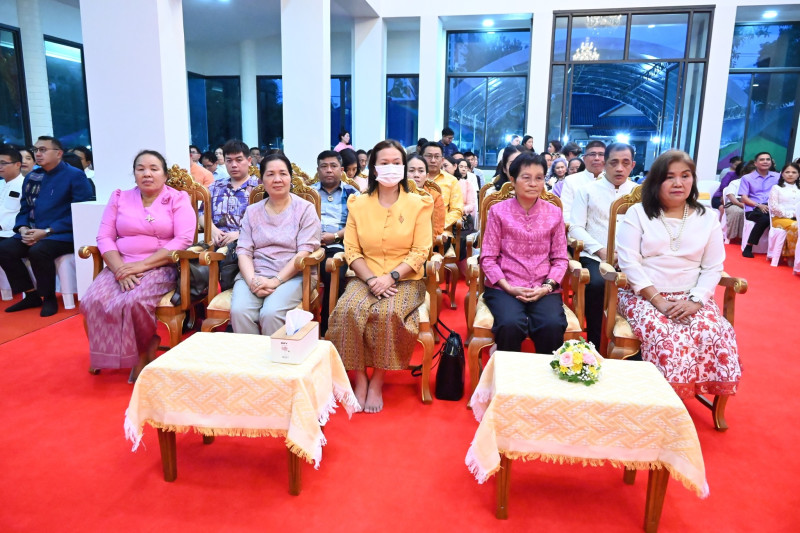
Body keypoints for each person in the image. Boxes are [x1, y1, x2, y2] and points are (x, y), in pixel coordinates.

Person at [616, 150, 740, 399]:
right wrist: (658, 301)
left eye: (685, 176)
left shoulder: (708, 217)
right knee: (667, 334)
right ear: (656, 181)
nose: (678, 183)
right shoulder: (638, 213)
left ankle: (685, 394)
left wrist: (696, 301)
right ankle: (660, 399)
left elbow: (713, 267)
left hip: (691, 296)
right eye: (669, 177)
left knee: (714, 331)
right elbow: (629, 263)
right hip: (643, 295)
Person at [326, 139, 433, 413]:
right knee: (348, 310)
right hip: (365, 276)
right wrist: (373, 279)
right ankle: (360, 377)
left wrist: (391, 276)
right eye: (384, 163)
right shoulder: (358, 204)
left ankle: (378, 380)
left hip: (405, 278)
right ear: (374, 168)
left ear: (404, 167)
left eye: (397, 163)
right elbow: (352, 250)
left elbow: (421, 250)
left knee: (388, 313)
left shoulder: (419, 204)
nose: (391, 167)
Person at [81, 150, 195, 382]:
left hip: (159, 265)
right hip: (121, 265)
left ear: (165, 175)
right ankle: (114, 353)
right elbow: (104, 237)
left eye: (154, 169)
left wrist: (141, 266)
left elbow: (183, 240)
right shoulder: (119, 197)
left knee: (134, 301)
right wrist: (119, 269)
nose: (147, 174)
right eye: (140, 169)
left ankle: (143, 351)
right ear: (134, 174)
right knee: (92, 300)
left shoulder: (178, 199)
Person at [480, 152, 568, 353]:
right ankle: (507, 371)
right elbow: (488, 258)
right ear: (513, 180)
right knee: (510, 324)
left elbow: (560, 259)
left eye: (539, 178)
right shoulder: (498, 211)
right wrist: (509, 288)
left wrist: (546, 287)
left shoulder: (554, 213)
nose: (533, 184)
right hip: (505, 286)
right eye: (526, 177)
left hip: (543, 286)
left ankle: (546, 372)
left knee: (552, 324)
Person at [0, 136, 94, 316]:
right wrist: (23, 228)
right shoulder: (32, 176)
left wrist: (47, 231)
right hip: (34, 231)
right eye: (36, 150)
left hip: (63, 234)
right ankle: (30, 294)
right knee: (4, 249)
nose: (38, 153)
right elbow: (25, 208)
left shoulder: (74, 175)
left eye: (43, 150)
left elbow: (80, 212)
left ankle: (48, 297)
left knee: (39, 251)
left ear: (58, 153)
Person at [230, 153, 321, 336]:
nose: (277, 179)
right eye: (270, 174)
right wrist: (252, 281)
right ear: (262, 180)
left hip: (294, 275)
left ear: (291, 178)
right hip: (255, 273)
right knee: (239, 311)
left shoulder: (305, 209)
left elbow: (304, 252)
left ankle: (276, 354)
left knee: (271, 313)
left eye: (283, 174)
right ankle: (251, 355)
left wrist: (275, 280)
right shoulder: (252, 211)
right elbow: (244, 251)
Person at [569, 142, 637, 348]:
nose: (619, 168)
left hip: (632, 256)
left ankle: (633, 346)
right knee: (597, 284)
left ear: (633, 165)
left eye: (625, 163)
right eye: (614, 163)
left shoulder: (640, 194)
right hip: (595, 256)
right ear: (605, 164)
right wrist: (601, 251)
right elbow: (575, 228)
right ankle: (594, 344)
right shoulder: (587, 191)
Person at [312, 150, 359, 335]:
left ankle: (328, 328)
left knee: (332, 272)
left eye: (333, 166)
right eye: (324, 166)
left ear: (342, 169)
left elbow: (357, 225)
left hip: (338, 246)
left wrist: (335, 236)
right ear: (318, 170)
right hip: (309, 245)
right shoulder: (309, 193)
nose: (329, 170)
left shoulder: (352, 193)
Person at [203, 140, 259, 248]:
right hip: (216, 243)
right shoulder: (215, 186)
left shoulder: (259, 188)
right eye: (229, 161)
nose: (234, 165)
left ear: (249, 161)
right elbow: (201, 213)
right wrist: (212, 229)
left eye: (239, 160)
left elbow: (267, 222)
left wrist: (240, 234)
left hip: (248, 246)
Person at [740, 151, 780, 257]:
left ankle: (777, 250)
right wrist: (759, 205)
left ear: (771, 162)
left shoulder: (777, 176)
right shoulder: (747, 178)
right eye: (762, 159)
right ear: (755, 163)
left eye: (768, 159)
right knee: (765, 219)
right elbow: (744, 198)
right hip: (753, 208)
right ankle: (749, 246)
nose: (765, 161)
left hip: (772, 207)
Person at [560, 140, 606, 224]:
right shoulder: (571, 180)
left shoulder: (612, 181)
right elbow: (565, 212)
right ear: (584, 159)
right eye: (592, 154)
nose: (597, 158)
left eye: (601, 154)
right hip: (576, 228)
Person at [422, 142, 463, 233]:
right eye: (429, 156)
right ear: (421, 158)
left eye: (437, 157)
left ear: (442, 160)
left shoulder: (451, 180)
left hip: (442, 231)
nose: (433, 160)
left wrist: (439, 225)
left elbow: (457, 210)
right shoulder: (414, 179)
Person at [407, 154, 445, 238]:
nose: (416, 175)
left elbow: (437, 229)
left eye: (421, 171)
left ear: (427, 176)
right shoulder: (396, 194)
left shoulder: (435, 197)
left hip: (427, 241)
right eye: (411, 170)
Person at [768, 162, 800, 256]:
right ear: (782, 174)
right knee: (795, 227)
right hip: (779, 218)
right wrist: (792, 215)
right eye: (787, 172)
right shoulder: (776, 188)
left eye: (794, 172)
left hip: (798, 219)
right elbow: (774, 207)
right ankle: (792, 256)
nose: (790, 174)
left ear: (798, 174)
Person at [0, 146, 24, 240]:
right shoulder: (1, 183)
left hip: (10, 233)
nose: (0, 166)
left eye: (3, 163)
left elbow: (24, 213)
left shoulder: (25, 185)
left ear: (17, 165)